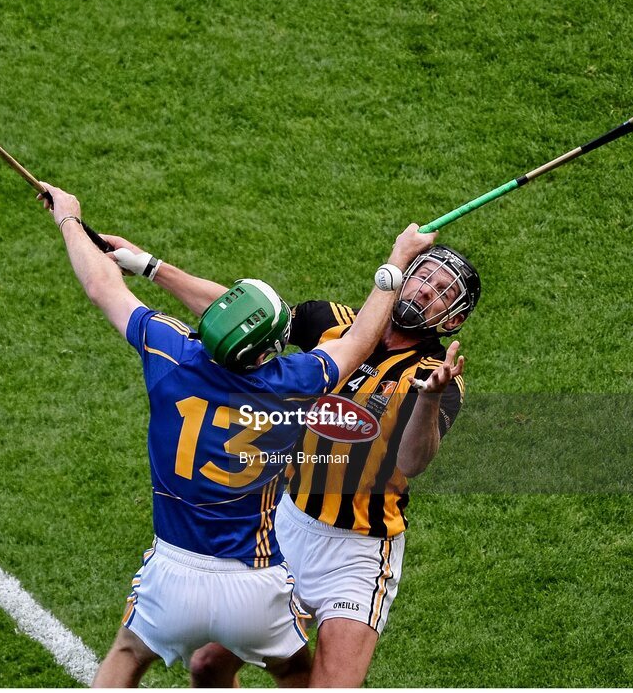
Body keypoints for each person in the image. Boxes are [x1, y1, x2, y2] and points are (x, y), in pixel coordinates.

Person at [36, 183, 436, 687]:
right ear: (271, 349)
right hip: (256, 578)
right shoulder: (295, 383)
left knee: (124, 656)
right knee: (294, 672)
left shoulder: (169, 353)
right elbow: (358, 342)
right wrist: (396, 260)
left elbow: (101, 287)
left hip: (175, 569)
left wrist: (69, 219)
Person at [102, 232, 480, 687]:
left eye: (442, 293)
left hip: (359, 551)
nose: (424, 291)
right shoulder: (331, 321)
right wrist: (150, 266)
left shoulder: (436, 379)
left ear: (452, 320)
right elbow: (245, 316)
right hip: (287, 527)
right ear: (404, 275)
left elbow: (412, 461)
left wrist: (430, 399)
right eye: (424, 277)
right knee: (207, 667)